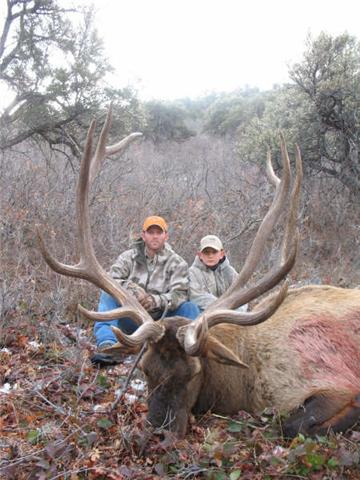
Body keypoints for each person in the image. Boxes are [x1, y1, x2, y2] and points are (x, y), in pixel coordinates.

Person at [91, 215, 200, 366]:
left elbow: (180, 294)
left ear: (166, 236)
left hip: (160, 325)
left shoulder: (177, 263)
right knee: (107, 295)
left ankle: (189, 350)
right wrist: (133, 290)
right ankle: (109, 347)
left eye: (159, 232)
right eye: (151, 232)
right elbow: (110, 281)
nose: (155, 236)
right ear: (143, 235)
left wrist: (154, 300)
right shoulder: (128, 258)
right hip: (131, 321)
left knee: (190, 308)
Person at [189, 234, 247, 312]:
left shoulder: (230, 272)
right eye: (206, 252)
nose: (210, 256)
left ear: (221, 254)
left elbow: (242, 294)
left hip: (230, 315)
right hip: (204, 317)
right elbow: (196, 297)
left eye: (214, 252)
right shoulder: (192, 273)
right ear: (200, 255)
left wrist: (238, 312)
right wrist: (224, 307)